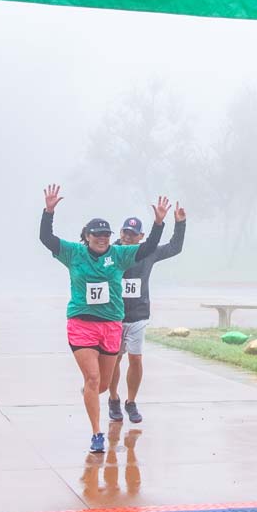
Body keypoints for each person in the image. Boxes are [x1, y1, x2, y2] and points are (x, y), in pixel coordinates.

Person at [40, 184, 169, 452]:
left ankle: (91, 394)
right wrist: (48, 212)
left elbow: (148, 248)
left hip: (111, 325)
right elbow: (46, 238)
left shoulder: (119, 255)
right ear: (87, 236)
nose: (102, 238)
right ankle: (97, 434)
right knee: (92, 378)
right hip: (81, 324)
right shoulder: (73, 253)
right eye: (97, 234)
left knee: (101, 385)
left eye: (106, 235)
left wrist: (158, 223)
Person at [106, 204, 187, 423]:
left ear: (141, 236)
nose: (128, 236)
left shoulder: (148, 252)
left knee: (136, 358)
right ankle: (113, 399)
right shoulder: (110, 252)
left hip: (138, 315)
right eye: (125, 232)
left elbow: (174, 247)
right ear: (120, 232)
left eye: (133, 234)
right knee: (114, 360)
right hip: (113, 316)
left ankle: (131, 402)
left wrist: (180, 223)